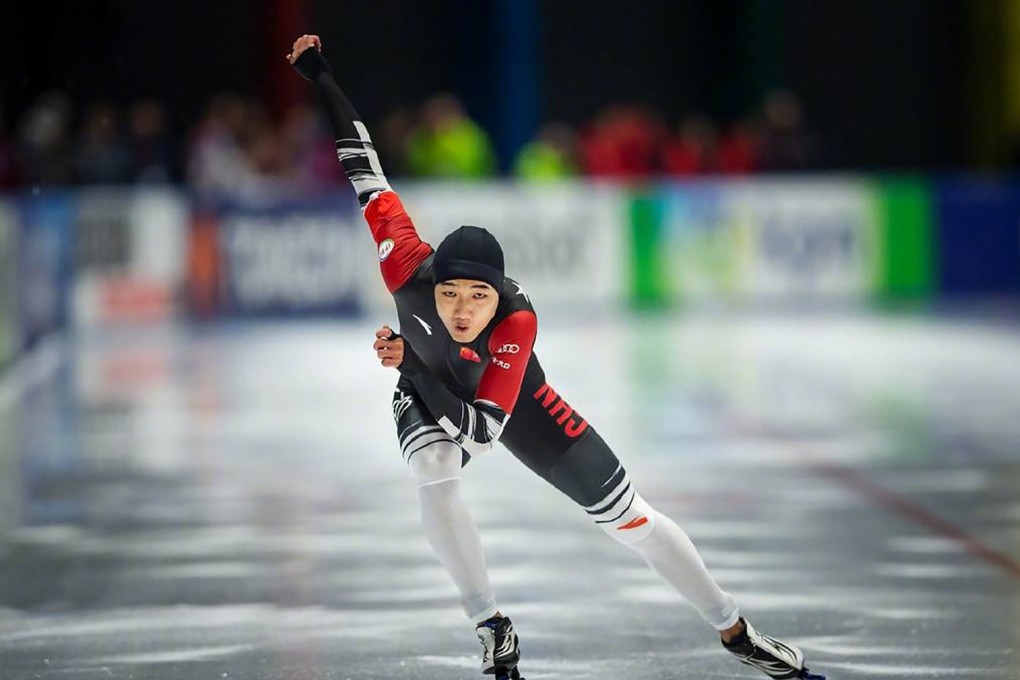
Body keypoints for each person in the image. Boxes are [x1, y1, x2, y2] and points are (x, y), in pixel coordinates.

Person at [286, 34, 825, 680]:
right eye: (451, 293)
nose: (460, 309)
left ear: (499, 296)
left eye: (476, 297)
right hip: (426, 382)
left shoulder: (517, 320)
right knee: (433, 466)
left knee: (631, 519)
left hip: (511, 405)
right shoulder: (404, 262)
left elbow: (483, 433)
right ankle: (491, 625)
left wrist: (407, 362)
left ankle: (736, 631)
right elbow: (362, 163)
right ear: (432, 282)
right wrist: (322, 77)